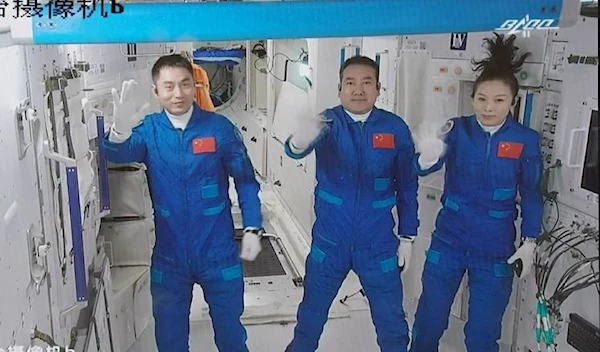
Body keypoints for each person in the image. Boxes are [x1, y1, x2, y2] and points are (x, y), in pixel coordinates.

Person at [103, 54, 263, 352]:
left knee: (231, 337)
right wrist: (119, 131)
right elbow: (119, 153)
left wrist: (253, 227)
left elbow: (246, 181)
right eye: (169, 86)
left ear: (195, 86)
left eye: (185, 84)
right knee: (170, 340)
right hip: (170, 257)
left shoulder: (219, 129)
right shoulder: (150, 131)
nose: (178, 94)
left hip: (218, 253)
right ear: (156, 92)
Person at [409, 33, 543, 352]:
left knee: (483, 335)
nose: (488, 107)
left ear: (513, 101)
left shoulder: (526, 140)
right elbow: (423, 167)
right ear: (473, 97)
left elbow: (533, 192)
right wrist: (426, 155)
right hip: (449, 241)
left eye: (498, 100)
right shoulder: (457, 129)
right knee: (429, 321)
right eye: (481, 98)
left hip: (495, 248)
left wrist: (530, 241)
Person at [284, 55, 419, 352]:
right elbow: (296, 149)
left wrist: (408, 236)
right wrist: (298, 141)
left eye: (366, 83)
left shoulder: (395, 128)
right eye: (350, 83)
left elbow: (408, 185)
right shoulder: (327, 122)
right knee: (310, 319)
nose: (358, 90)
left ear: (378, 88)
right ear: (339, 89)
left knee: (392, 325)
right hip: (330, 243)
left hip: (378, 245)